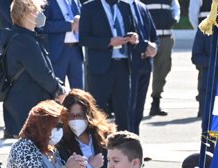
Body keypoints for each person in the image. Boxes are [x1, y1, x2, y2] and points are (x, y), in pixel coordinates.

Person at [2, 0, 67, 138]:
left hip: (24, 102)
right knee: (34, 149)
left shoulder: (21, 36)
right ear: (26, 14)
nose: (39, 14)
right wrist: (59, 89)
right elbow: (42, 74)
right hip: (28, 104)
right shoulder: (24, 40)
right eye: (36, 11)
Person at [79, 0, 140, 130]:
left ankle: (123, 145)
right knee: (97, 109)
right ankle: (98, 144)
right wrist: (109, 42)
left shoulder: (125, 6)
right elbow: (83, 38)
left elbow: (133, 30)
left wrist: (134, 37)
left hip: (123, 65)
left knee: (123, 110)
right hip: (101, 67)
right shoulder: (89, 7)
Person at [126, 0, 159, 134]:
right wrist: (145, 46)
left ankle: (135, 146)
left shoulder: (141, 7)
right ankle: (128, 147)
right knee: (129, 110)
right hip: (130, 66)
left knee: (139, 110)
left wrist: (155, 48)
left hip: (145, 65)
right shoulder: (120, 6)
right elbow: (127, 36)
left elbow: (154, 35)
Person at [145, 0, 180, 116]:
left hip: (166, 36)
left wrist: (174, 18)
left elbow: (175, 7)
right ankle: (133, 104)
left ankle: (155, 102)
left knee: (163, 70)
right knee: (140, 71)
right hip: (147, 38)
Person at [43, 0, 85, 91]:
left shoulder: (75, 1)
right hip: (58, 52)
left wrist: (79, 18)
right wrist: (69, 25)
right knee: (57, 91)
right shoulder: (47, 2)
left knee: (79, 91)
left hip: (76, 50)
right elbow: (44, 25)